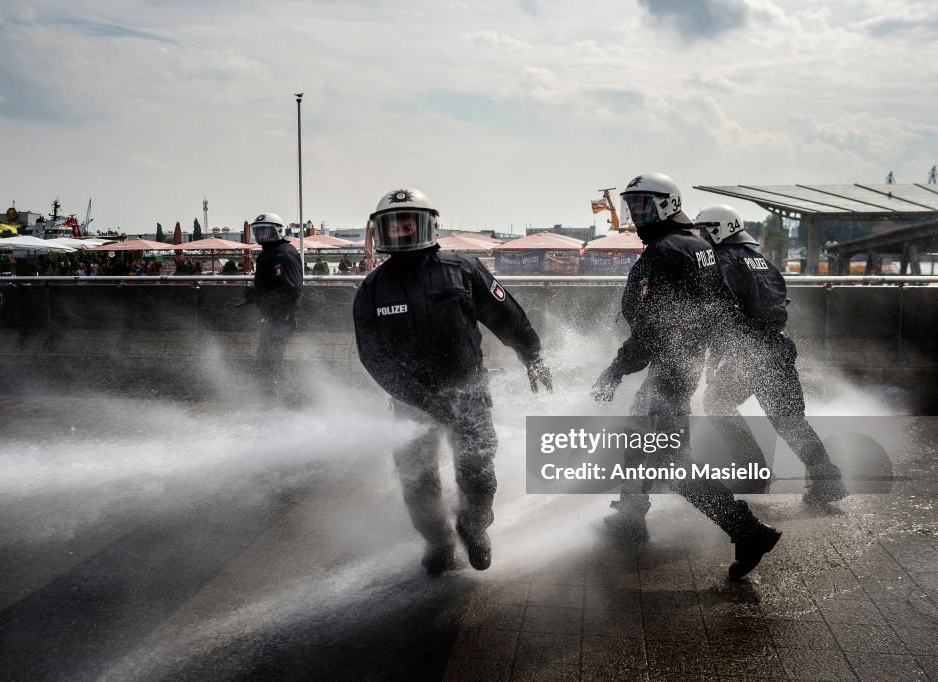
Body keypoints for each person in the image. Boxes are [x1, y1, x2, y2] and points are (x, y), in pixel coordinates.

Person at [590, 173, 781, 581]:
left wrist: (616, 369)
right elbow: (722, 305)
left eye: (643, 206)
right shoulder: (700, 245)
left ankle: (747, 529)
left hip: (669, 366)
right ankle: (629, 516)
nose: (636, 215)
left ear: (667, 205)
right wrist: (713, 351)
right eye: (632, 206)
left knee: (669, 460)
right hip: (682, 364)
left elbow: (652, 328)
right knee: (639, 436)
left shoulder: (663, 252)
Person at [353, 188, 553, 576]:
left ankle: (475, 527)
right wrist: (421, 399)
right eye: (392, 225)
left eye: (408, 221)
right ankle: (438, 542)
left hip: (469, 393)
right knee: (417, 481)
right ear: (380, 232)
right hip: (411, 402)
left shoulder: (462, 269)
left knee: (478, 469)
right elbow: (373, 358)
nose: (402, 231)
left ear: (427, 223)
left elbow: (506, 314)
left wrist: (532, 354)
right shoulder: (372, 289)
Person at [694, 204, 847, 504]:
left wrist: (716, 355)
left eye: (702, 230)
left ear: (717, 230)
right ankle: (828, 480)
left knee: (716, 402)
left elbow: (722, 312)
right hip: (777, 348)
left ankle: (752, 473)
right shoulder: (761, 260)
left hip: (746, 351)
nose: (699, 237)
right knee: (789, 420)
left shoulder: (722, 261)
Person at [246, 212, 303, 399]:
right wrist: (256, 295)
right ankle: (273, 398)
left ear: (277, 231)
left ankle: (289, 401)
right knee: (266, 360)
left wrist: (262, 298)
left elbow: (290, 289)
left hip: (281, 318)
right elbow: (272, 285)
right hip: (272, 316)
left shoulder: (283, 254)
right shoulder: (271, 253)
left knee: (272, 361)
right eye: (258, 231)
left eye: (266, 231)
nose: (261, 236)